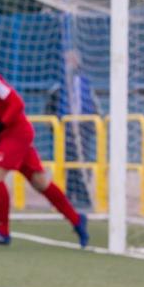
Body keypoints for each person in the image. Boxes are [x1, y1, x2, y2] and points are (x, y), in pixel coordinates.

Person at [0, 39, 89, 248]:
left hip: (17, 132)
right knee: (40, 183)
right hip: (3, 136)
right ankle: (77, 219)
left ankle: (2, 231)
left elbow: (17, 103)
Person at [45, 49, 99, 208]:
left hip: (83, 129)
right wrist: (54, 128)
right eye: (68, 60)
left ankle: (82, 197)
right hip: (65, 130)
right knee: (67, 162)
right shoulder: (58, 87)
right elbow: (49, 109)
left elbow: (93, 105)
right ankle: (70, 196)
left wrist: (91, 126)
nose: (71, 63)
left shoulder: (85, 84)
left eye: (73, 60)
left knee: (81, 162)